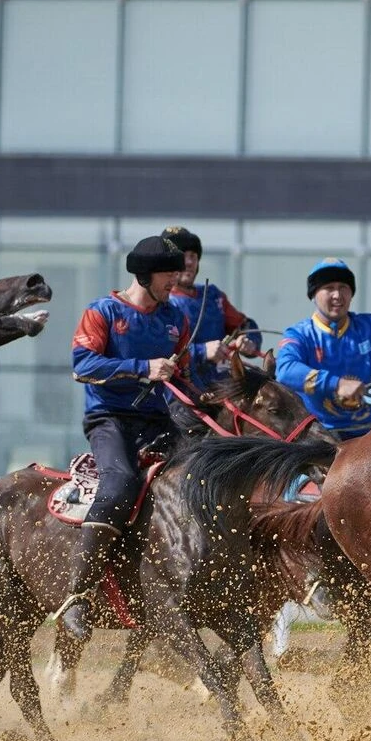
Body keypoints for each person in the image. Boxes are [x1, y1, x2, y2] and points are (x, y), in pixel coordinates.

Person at [58, 234, 222, 642]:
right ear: (147, 275)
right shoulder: (102, 312)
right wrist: (142, 367)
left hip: (156, 418)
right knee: (120, 484)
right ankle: (77, 596)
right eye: (170, 274)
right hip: (109, 419)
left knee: (203, 474)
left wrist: (200, 395)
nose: (178, 280)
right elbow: (83, 365)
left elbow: (178, 373)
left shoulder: (176, 321)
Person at [275, 259, 371, 439]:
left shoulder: (370, 326)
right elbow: (285, 370)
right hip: (321, 434)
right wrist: (337, 383)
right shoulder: (299, 334)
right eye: (329, 288)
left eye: (343, 287)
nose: (337, 295)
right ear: (314, 294)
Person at [162, 226, 260, 386]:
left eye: (193, 256)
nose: (188, 262)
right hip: (180, 392)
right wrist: (202, 351)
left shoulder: (213, 296)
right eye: (181, 256)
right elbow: (157, 350)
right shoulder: (158, 301)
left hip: (223, 387)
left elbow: (245, 325)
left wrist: (249, 341)